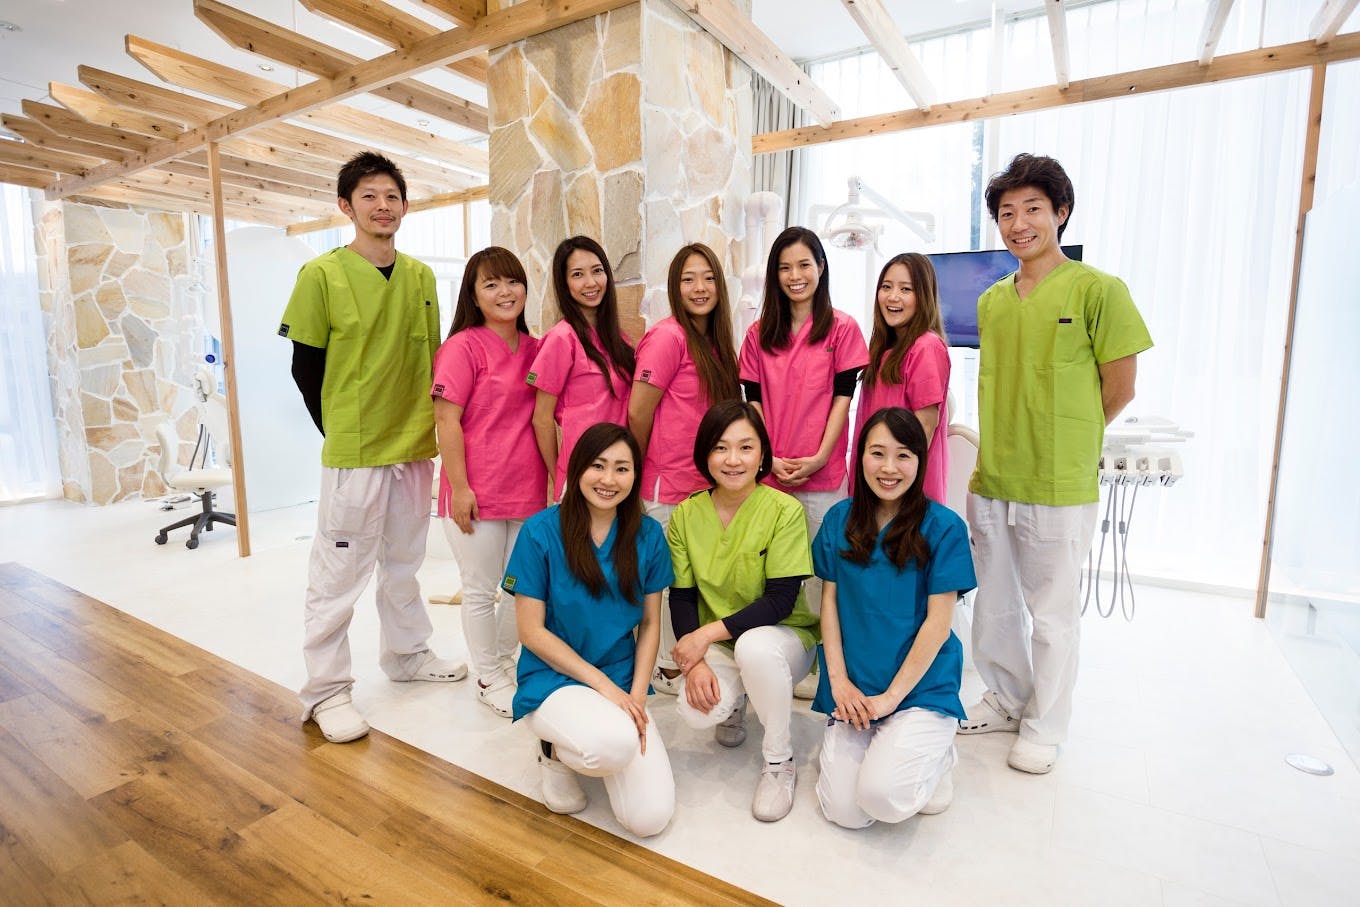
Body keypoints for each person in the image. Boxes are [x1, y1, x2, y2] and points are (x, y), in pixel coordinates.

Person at [959, 153, 1153, 774]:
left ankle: (1045, 724)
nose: (1019, 224)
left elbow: (1120, 388)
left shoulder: (1099, 290)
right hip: (994, 474)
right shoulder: (992, 301)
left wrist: (1067, 440)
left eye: (1033, 209)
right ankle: (1005, 698)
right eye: (1006, 213)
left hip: (1058, 481)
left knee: (1052, 614)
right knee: (994, 604)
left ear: (1061, 212)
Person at [280, 151, 466, 744]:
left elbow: (429, 360)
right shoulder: (321, 275)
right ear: (346, 206)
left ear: (404, 206)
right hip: (356, 452)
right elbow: (305, 368)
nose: (382, 206)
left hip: (413, 445)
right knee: (338, 576)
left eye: (391, 196)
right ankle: (326, 691)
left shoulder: (420, 277)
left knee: (405, 564)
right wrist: (341, 430)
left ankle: (407, 655)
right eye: (369, 196)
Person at [503, 423, 675, 838]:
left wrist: (636, 697)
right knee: (611, 745)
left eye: (622, 469)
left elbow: (651, 623)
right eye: (598, 466)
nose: (608, 479)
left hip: (620, 676)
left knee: (649, 819)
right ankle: (553, 753)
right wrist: (605, 688)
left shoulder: (648, 535)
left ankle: (598, 733)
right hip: (554, 677)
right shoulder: (540, 532)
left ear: (635, 476)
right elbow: (531, 632)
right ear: (578, 468)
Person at [813, 407, 976, 828]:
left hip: (919, 687)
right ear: (860, 457)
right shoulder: (839, 520)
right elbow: (829, 605)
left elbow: (938, 624)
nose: (889, 468)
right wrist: (839, 683)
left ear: (920, 461)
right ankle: (885, 746)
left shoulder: (944, 528)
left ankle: (939, 754)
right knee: (845, 813)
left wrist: (890, 700)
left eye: (903, 455)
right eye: (877, 453)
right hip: (856, 686)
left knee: (882, 799)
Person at [666, 400, 820, 822]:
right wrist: (696, 663)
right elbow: (682, 596)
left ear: (762, 454)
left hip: (784, 640)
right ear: (705, 454)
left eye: (745, 447)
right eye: (720, 447)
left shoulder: (784, 511)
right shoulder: (686, 514)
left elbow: (780, 601)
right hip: (721, 644)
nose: (732, 459)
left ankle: (779, 760)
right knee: (696, 712)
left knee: (754, 648)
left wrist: (702, 637)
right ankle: (734, 702)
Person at [738, 226, 868, 699]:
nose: (795, 276)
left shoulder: (843, 329)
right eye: (785, 267)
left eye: (804, 265)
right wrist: (768, 457)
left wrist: (819, 457)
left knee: (822, 574)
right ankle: (776, 659)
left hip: (823, 475)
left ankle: (824, 666)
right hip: (771, 474)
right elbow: (752, 401)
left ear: (821, 267)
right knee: (771, 574)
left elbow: (842, 401)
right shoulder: (758, 335)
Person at [431, 247, 545, 718]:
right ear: (473, 296)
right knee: (480, 589)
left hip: (528, 489)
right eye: (491, 284)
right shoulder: (462, 348)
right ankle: (487, 676)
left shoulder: (536, 348)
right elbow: (446, 421)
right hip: (475, 491)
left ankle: (502, 661)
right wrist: (460, 487)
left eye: (512, 281)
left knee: (521, 587)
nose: (505, 292)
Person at [628, 243, 740, 695]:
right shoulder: (668, 337)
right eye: (688, 279)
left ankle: (682, 661)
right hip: (665, 486)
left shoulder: (716, 341)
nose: (699, 288)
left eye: (708, 278)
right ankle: (665, 668)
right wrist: (635, 476)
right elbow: (638, 412)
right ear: (675, 286)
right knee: (665, 583)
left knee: (690, 583)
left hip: (702, 487)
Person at [528, 236, 635, 501]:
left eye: (597, 271)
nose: (590, 282)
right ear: (565, 284)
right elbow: (541, 418)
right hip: (582, 472)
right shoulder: (561, 338)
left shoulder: (619, 340)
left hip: (620, 470)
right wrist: (560, 475)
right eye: (578, 274)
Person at [856, 253, 952, 504]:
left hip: (902, 490)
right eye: (886, 287)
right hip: (876, 484)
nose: (893, 296)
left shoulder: (926, 347)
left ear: (923, 296)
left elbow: (923, 431)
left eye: (906, 289)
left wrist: (891, 481)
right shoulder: (882, 348)